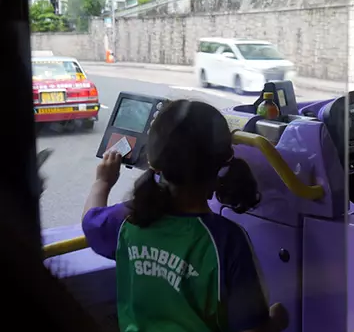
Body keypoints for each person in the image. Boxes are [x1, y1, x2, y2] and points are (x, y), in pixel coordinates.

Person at [82, 100, 288, 332]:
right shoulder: (227, 241)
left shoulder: (128, 220)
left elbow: (90, 221)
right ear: (222, 164)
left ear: (153, 161)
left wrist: (102, 182)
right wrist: (277, 320)